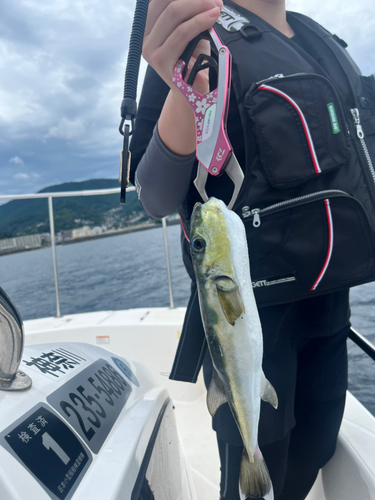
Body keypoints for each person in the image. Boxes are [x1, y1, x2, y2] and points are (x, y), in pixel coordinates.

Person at [129, 0, 353, 498]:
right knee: (254, 476)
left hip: (333, 302)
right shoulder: (194, 33)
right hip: (253, 313)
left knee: (317, 447)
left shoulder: (319, 41)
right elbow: (156, 196)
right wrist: (187, 92)